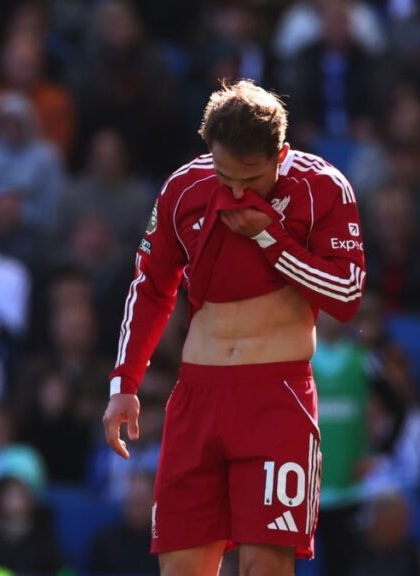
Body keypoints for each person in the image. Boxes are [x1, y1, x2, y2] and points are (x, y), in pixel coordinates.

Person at [102, 80, 366, 575]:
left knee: (264, 567)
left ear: (280, 154)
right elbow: (151, 286)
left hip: (276, 395)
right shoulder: (185, 188)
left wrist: (272, 238)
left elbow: (347, 295)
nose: (238, 191)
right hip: (198, 395)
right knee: (182, 568)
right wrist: (125, 383)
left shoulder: (322, 186)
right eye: (225, 175)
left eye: (253, 177)